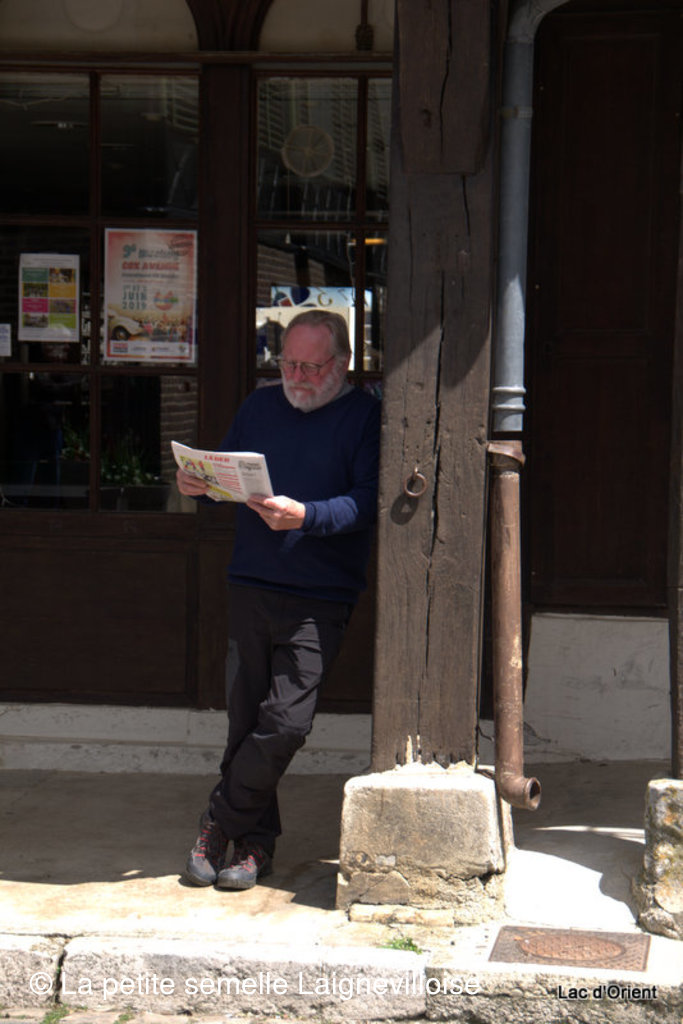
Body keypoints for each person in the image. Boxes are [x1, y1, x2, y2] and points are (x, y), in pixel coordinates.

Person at [177, 309, 381, 890]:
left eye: (311, 367)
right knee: (245, 720)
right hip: (251, 581)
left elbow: (369, 502)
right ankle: (253, 848)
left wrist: (306, 515)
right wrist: (198, 484)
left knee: (286, 722)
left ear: (343, 363)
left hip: (321, 594)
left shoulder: (365, 416)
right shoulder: (260, 405)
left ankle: (218, 822)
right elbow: (226, 476)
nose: (296, 377)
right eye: (288, 363)